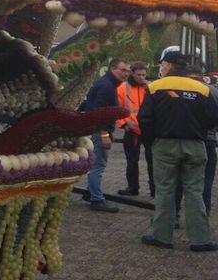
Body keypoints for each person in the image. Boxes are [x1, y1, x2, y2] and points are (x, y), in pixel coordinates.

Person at [138, 51, 218, 251]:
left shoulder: (155, 87)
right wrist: (197, 131)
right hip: (195, 145)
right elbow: (213, 119)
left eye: (162, 64)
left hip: (165, 144)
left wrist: (151, 142)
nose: (161, 68)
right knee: (194, 191)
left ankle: (162, 236)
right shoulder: (203, 89)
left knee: (165, 190)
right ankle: (200, 240)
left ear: (169, 65)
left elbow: (144, 119)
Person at [82, 57, 128, 212]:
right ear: (112, 68)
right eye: (123, 70)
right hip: (99, 131)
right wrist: (104, 134)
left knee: (96, 163)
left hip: (99, 130)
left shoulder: (107, 84)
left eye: (127, 71)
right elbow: (99, 112)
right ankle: (96, 199)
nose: (126, 74)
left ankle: (90, 193)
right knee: (98, 165)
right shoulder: (107, 86)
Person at [115, 61, 152, 197]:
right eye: (138, 75)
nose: (141, 77)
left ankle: (154, 189)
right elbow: (118, 109)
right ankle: (132, 188)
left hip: (149, 130)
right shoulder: (122, 88)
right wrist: (124, 125)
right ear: (132, 73)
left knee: (152, 161)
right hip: (131, 130)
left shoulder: (150, 88)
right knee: (131, 161)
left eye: (143, 75)